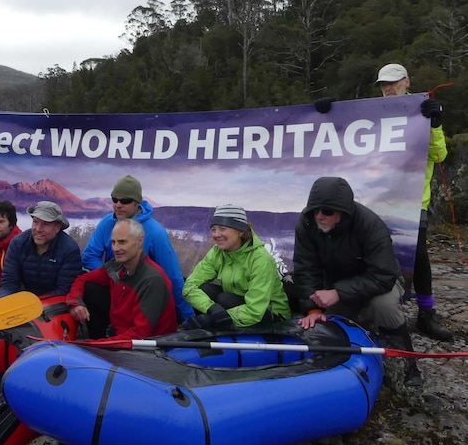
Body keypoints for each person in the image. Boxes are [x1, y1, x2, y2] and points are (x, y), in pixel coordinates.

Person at [315, 63, 452, 341]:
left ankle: (426, 313)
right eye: (383, 84)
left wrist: (435, 125)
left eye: (394, 82)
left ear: (407, 82)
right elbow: (340, 143)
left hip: (411, 201)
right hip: (371, 200)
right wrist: (325, 113)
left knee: (418, 257)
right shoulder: (370, 115)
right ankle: (362, 304)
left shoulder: (421, 112)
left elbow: (438, 157)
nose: (388, 88)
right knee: (359, 252)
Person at [293, 176, 422, 384]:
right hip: (336, 284)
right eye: (315, 210)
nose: (319, 216)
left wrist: (339, 293)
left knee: (383, 307)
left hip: (380, 283)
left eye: (327, 211)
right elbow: (305, 268)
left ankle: (407, 365)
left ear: (343, 212)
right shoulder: (307, 223)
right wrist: (313, 309)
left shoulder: (370, 225)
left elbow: (384, 275)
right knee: (328, 323)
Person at [81, 175, 194, 326]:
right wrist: (111, 276)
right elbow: (89, 256)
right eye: (115, 199)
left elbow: (172, 276)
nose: (118, 205)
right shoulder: (107, 222)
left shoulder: (155, 232)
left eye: (125, 201)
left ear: (137, 203)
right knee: (91, 288)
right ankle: (97, 342)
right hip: (115, 284)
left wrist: (189, 318)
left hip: (143, 290)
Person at [181, 205, 291, 330]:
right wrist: (211, 308)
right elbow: (190, 286)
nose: (216, 235)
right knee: (205, 290)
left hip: (270, 314)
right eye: (213, 229)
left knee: (225, 299)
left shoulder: (260, 259)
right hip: (238, 303)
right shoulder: (217, 253)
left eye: (222, 228)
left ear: (241, 231)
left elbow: (255, 310)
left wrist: (212, 320)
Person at [67, 218, 177, 340]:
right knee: (92, 288)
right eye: (113, 242)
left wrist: (95, 346)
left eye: (122, 242)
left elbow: (139, 334)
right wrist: (75, 303)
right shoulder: (117, 265)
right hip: (119, 334)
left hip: (148, 349)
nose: (115, 248)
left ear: (139, 241)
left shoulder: (152, 279)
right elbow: (83, 279)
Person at [0, 201, 82, 297]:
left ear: (57, 227)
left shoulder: (69, 250)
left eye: (45, 224)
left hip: (55, 304)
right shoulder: (18, 244)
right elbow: (8, 283)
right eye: (35, 222)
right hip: (23, 300)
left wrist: (35, 305)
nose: (38, 229)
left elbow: (64, 290)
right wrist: (5, 302)